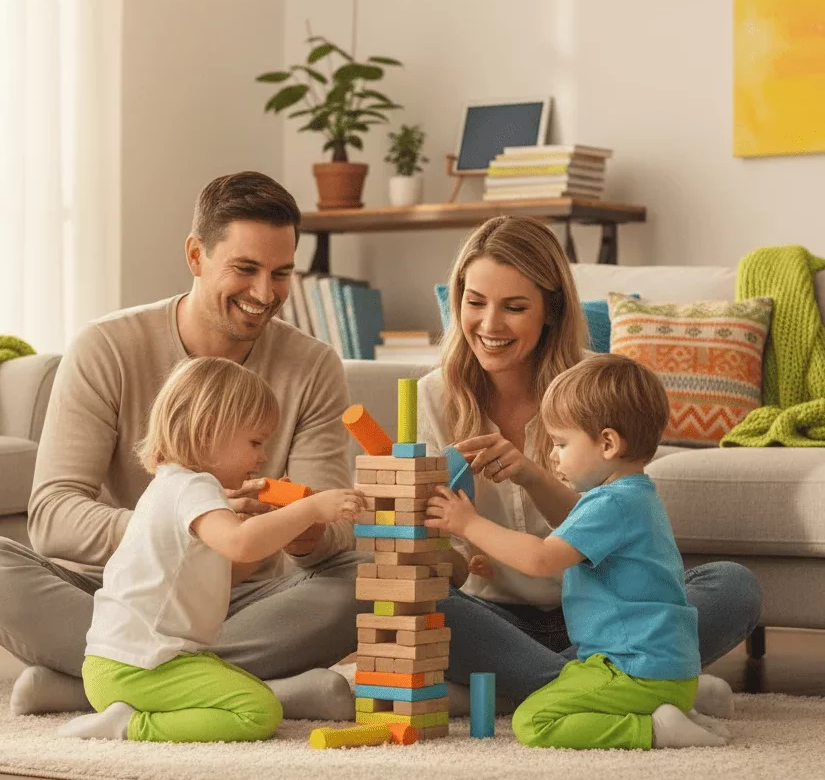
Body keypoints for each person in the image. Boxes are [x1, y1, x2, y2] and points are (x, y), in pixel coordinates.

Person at [0, 172, 363, 722]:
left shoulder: (312, 366)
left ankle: (96, 687)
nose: (265, 294)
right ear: (196, 255)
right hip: (120, 596)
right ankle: (264, 691)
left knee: (365, 582)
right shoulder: (107, 347)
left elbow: (325, 534)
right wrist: (184, 530)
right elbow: (52, 516)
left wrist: (305, 526)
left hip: (242, 600)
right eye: (245, 269)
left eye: (281, 273)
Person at [416, 216, 761, 710]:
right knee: (413, 600)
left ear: (551, 310)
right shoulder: (433, 395)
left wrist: (531, 476)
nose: (489, 325)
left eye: (514, 307)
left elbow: (606, 520)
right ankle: (634, 685)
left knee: (733, 585)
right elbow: (439, 559)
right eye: (475, 303)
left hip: (607, 616)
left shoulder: (593, 388)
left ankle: (539, 687)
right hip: (498, 619)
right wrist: (443, 553)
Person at [427, 354, 733, 750]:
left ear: (607, 443)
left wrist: (468, 524)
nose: (552, 455)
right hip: (653, 667)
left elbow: (540, 559)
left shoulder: (609, 504)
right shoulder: (634, 497)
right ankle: (669, 708)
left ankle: (653, 729)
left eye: (560, 443)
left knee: (533, 721)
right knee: (567, 684)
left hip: (632, 669)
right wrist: (497, 556)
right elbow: (564, 559)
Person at [58, 357, 364, 743]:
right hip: (139, 665)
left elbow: (229, 567)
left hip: (124, 662)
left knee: (245, 685)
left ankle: (119, 707)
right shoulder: (194, 487)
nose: (262, 457)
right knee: (258, 711)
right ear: (206, 432)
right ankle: (130, 725)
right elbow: (240, 544)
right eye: (255, 442)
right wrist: (309, 509)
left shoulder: (173, 486)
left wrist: (273, 524)